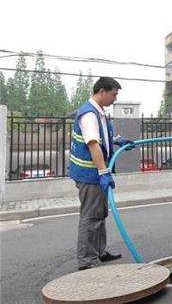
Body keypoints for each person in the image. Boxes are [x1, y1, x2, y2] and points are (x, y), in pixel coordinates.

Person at [69, 77, 134, 270]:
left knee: (99, 213)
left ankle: (98, 251)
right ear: (102, 91)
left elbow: (102, 136)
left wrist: (116, 140)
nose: (115, 98)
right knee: (91, 216)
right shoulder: (89, 114)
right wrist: (104, 172)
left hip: (94, 173)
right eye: (114, 94)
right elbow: (93, 144)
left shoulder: (99, 112)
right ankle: (87, 260)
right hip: (89, 175)